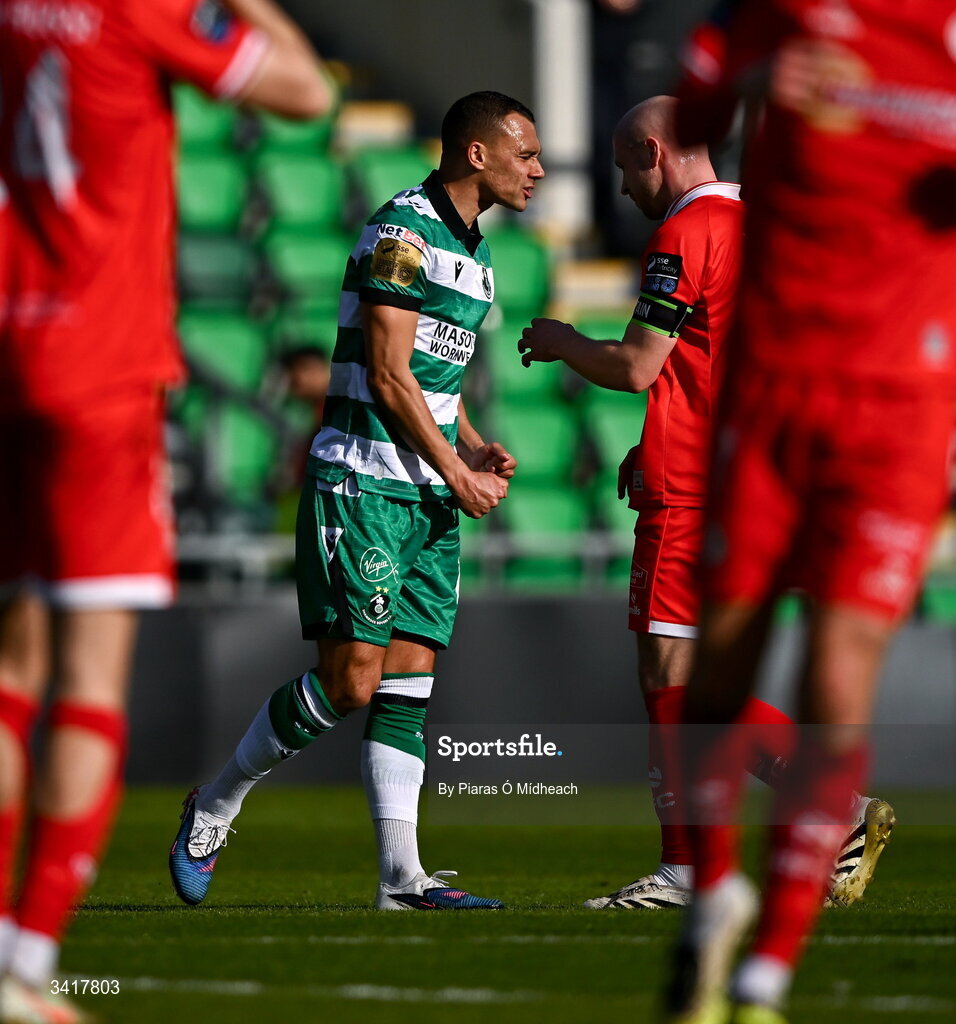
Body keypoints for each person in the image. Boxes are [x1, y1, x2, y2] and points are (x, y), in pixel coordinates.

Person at [0, 1, 332, 1021]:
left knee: (11, 668)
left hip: (7, 354)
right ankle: (26, 962)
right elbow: (306, 91)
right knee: (90, 677)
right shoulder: (134, 6)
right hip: (100, 372)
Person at [169, 91, 544, 912]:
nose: (540, 171)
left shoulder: (476, 254)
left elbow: (432, 381)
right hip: (364, 484)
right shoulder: (401, 234)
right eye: (526, 154)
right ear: (476, 153)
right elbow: (385, 374)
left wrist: (472, 444)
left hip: (427, 496)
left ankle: (401, 881)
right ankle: (217, 803)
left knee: (409, 680)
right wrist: (458, 471)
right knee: (351, 683)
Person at [659, 3, 956, 1022]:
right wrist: (748, 87)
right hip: (773, 395)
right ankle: (712, 898)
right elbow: (679, 109)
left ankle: (762, 973)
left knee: (835, 678)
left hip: (901, 412)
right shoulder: (779, 13)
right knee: (722, 664)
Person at [519, 95, 887, 913]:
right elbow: (726, 363)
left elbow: (637, 366)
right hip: (733, 479)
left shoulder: (687, 230)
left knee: (672, 677)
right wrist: (647, 445)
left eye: (623, 166)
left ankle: (725, 852)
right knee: (686, 678)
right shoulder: (764, 224)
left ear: (654, 150)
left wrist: (560, 341)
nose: (622, 187)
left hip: (691, 492)